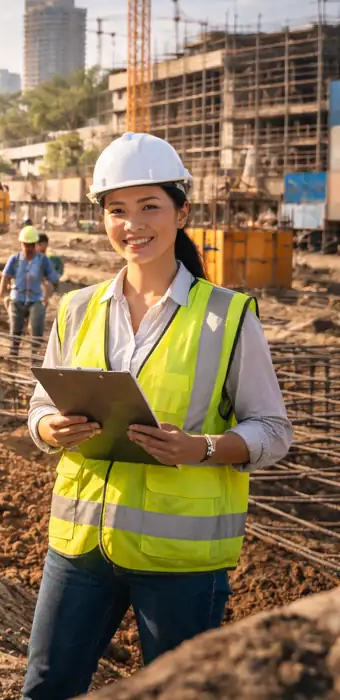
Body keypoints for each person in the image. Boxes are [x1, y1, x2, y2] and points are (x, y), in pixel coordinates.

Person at [22, 133, 293, 700]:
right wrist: (50, 429)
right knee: (47, 689)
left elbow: (273, 431)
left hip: (180, 560)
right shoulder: (76, 308)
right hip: (80, 548)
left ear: (182, 212)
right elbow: (41, 405)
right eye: (117, 210)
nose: (132, 224)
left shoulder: (227, 316)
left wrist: (204, 449)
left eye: (150, 206)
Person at [0, 225, 61, 358]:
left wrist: (47, 297)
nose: (29, 248)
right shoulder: (14, 259)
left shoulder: (43, 260)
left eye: (31, 245)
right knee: (15, 332)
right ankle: (13, 358)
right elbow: (5, 276)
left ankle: (35, 359)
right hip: (17, 299)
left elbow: (54, 279)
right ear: (21, 244)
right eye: (26, 245)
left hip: (35, 300)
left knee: (37, 331)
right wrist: (1, 296)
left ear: (35, 244)